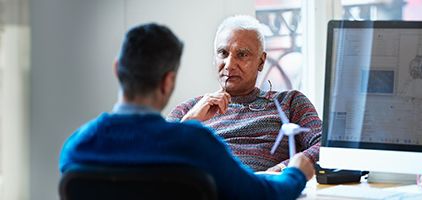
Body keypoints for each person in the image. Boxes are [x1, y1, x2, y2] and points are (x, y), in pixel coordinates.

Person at [59, 23, 314, 199]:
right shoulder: (195, 142)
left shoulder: (77, 145)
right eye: (222, 53)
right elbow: (261, 196)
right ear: (168, 81)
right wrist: (295, 173)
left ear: (117, 69)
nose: (229, 63)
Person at [168, 15, 322, 172]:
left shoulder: (290, 102)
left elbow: (325, 145)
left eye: (242, 54)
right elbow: (158, 158)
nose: (229, 65)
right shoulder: (188, 110)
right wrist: (190, 121)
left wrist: (284, 169)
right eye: (223, 53)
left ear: (261, 62)